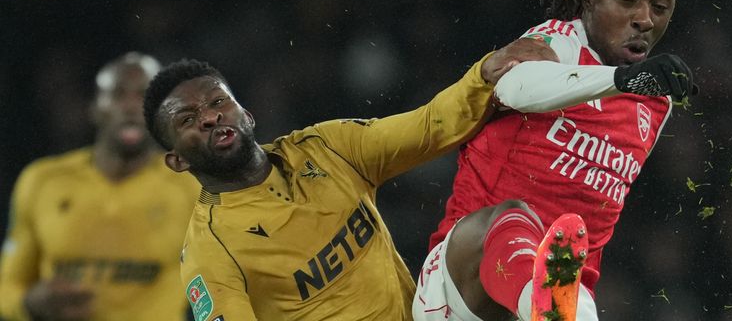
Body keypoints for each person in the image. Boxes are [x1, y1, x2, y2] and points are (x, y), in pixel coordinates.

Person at [413, 0, 697, 321]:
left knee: (570, 279)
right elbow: (515, 87)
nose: (644, 19)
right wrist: (619, 81)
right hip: (460, 287)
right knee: (512, 218)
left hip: (560, 292)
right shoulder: (556, 42)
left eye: (660, 5)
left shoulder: (656, 104)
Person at [140, 38, 560, 321]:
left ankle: (555, 309)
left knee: (496, 226)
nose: (211, 116)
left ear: (246, 114)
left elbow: (429, 127)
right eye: (189, 119)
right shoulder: (211, 250)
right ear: (176, 161)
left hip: (420, 314)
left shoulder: (326, 148)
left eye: (218, 102)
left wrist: (484, 73)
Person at [0, 52, 201, 321]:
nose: (131, 107)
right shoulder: (42, 180)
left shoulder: (191, 187)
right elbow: (8, 283)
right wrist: (29, 304)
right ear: (95, 107)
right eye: (118, 95)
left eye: (144, 96)